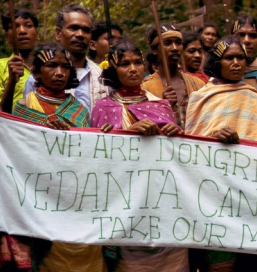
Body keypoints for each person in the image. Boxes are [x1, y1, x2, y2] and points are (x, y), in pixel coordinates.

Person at [91, 40, 187, 272]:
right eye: (125, 64)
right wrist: (126, 135)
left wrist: (176, 135)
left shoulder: (161, 105)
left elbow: (177, 158)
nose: (133, 68)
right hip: (125, 211)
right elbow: (97, 160)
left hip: (164, 211)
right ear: (113, 70)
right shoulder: (102, 108)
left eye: (137, 62)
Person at [12, 43, 105, 272]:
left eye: (65, 67)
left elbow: (87, 156)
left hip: (77, 201)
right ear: (36, 73)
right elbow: (16, 152)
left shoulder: (80, 111)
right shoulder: (23, 107)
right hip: (39, 200)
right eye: (52, 66)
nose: (60, 72)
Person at [185, 36, 257, 272]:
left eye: (240, 58)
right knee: (219, 263)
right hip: (214, 196)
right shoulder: (200, 98)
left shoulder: (254, 97)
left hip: (249, 195)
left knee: (252, 262)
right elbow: (190, 148)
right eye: (229, 58)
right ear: (217, 63)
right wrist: (214, 135)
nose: (236, 63)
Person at [23, 4, 108, 114]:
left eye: (86, 30)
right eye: (74, 28)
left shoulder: (104, 78)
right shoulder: (36, 79)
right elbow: (27, 122)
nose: (80, 34)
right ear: (58, 34)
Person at [141, 24, 204, 130]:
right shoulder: (144, 88)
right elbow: (143, 125)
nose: (175, 48)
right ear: (154, 49)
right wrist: (163, 106)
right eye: (167, 43)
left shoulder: (199, 84)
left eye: (178, 43)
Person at [0, 8, 39, 113]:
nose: (22, 31)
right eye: (14, 27)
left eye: (28, 26)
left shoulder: (50, 66)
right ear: (6, 38)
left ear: (37, 35)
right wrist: (11, 81)